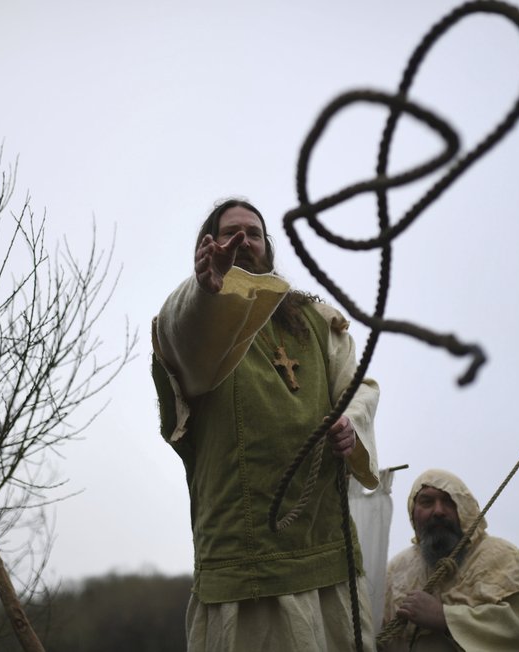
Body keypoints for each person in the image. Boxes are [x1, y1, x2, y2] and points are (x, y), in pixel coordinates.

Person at [151, 198, 381, 651]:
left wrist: (351, 424)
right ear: (209, 247)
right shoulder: (195, 323)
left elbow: (358, 386)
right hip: (244, 561)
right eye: (230, 233)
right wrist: (204, 291)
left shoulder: (318, 321)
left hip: (323, 545)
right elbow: (178, 333)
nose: (244, 242)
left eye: (253, 234)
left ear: (268, 247)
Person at [382, 469, 519, 651]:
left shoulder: (502, 556)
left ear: (465, 508)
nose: (438, 511)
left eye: (449, 501)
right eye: (427, 502)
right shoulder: (397, 569)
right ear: (412, 513)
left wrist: (444, 618)